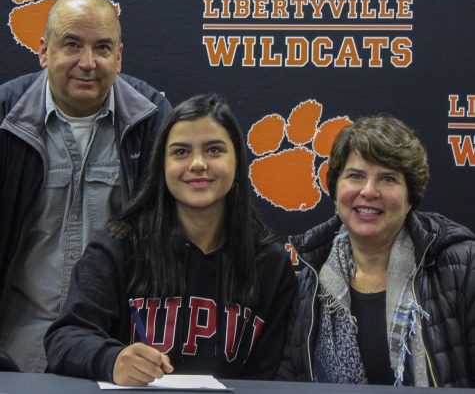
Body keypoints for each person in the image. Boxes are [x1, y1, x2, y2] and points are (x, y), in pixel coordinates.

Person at [44, 93, 297, 386]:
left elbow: (270, 377)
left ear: (238, 161)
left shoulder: (270, 264)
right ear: (161, 166)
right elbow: (64, 338)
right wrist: (111, 359)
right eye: (180, 152)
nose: (198, 164)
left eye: (214, 150)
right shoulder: (120, 245)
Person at [0, 0, 172, 372]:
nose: (88, 62)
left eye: (102, 48)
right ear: (44, 51)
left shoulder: (154, 123)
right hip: (14, 355)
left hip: (113, 356)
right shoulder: (4, 119)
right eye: (72, 45)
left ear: (119, 57)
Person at [276, 116, 475, 388]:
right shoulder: (312, 279)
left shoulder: (462, 265)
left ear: (410, 198)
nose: (369, 191)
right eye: (356, 176)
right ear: (335, 189)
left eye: (388, 178)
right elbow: (289, 383)